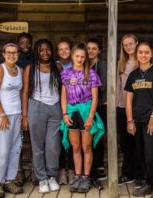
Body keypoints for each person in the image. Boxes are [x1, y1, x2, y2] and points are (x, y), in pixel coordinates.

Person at [60, 43, 105, 193]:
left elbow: (95, 97)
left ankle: (86, 178)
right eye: (77, 56)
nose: (79, 59)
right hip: (72, 113)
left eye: (82, 57)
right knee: (76, 147)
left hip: (86, 112)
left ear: (85, 58)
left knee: (86, 147)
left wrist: (91, 117)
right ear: (72, 56)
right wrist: (65, 114)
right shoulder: (66, 74)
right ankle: (77, 177)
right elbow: (64, 96)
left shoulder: (91, 74)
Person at [125, 41, 153, 198]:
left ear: (151, 54)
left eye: (146, 52)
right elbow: (128, 99)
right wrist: (130, 120)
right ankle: (148, 183)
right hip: (137, 120)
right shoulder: (133, 75)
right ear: (137, 54)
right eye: (140, 52)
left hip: (152, 120)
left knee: (151, 154)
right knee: (141, 153)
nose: (143, 55)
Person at [21, 39, 62, 193]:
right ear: (37, 52)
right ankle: (42, 178)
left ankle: (52, 175)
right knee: (37, 145)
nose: (45, 53)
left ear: (52, 51)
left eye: (48, 49)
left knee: (53, 146)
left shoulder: (57, 67)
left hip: (55, 108)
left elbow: (63, 89)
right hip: (36, 107)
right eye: (41, 50)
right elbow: (25, 92)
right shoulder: (30, 68)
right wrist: (25, 116)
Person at [0, 42, 24, 197]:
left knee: (15, 149)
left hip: (17, 114)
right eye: (8, 52)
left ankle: (9, 180)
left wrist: (23, 115)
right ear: (3, 54)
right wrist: (2, 114)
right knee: (2, 150)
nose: (12, 55)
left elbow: (21, 94)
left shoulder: (20, 70)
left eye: (15, 52)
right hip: (3, 115)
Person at [116, 34, 145, 187]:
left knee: (139, 142)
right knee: (126, 143)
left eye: (131, 43)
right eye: (125, 44)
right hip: (122, 107)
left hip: (138, 107)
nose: (128, 47)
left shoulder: (142, 62)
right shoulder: (122, 63)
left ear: (136, 43)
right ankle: (127, 174)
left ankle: (139, 174)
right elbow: (117, 86)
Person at [15, 31, 35, 186]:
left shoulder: (36, 58)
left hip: (34, 99)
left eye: (28, 42)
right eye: (22, 43)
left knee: (35, 137)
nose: (25, 45)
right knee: (18, 139)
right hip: (17, 101)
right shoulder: (15, 59)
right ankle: (19, 171)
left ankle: (35, 170)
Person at [55, 37, 76, 186]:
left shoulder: (76, 64)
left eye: (66, 48)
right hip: (59, 105)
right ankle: (62, 169)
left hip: (75, 105)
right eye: (61, 49)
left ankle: (72, 170)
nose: (64, 51)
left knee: (74, 139)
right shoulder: (54, 65)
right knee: (62, 138)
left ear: (71, 50)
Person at [86, 38, 107, 188]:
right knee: (89, 137)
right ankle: (92, 168)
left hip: (100, 105)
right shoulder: (85, 64)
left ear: (99, 50)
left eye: (94, 48)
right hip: (87, 106)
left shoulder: (102, 64)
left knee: (98, 137)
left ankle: (99, 167)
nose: (91, 51)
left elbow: (103, 86)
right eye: (89, 48)